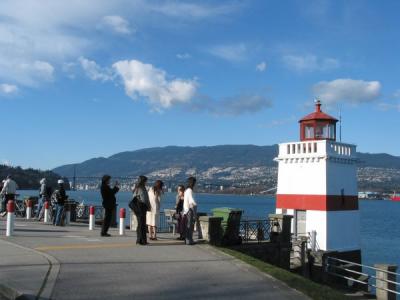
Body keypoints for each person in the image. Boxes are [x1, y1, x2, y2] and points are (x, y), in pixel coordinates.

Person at [132, 175, 150, 245]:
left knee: (139, 224)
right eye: (146, 181)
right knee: (142, 224)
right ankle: (143, 241)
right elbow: (144, 199)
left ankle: (138, 239)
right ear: (143, 181)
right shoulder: (142, 188)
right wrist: (148, 206)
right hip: (142, 208)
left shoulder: (136, 188)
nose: (146, 182)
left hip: (137, 208)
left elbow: (134, 197)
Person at [183, 177, 197, 245]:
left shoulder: (186, 190)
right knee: (190, 226)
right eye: (195, 182)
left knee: (188, 226)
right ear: (193, 183)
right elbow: (192, 202)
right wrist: (195, 205)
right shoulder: (190, 191)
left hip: (186, 210)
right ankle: (189, 240)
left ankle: (187, 240)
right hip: (190, 210)